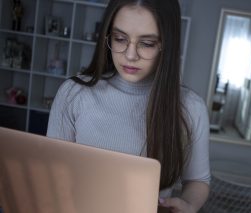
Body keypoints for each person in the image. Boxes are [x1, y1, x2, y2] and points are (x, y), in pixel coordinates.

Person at [47, 0, 210, 212]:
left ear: (166, 45)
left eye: (147, 43)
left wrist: (189, 204)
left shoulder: (191, 108)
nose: (130, 55)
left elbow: (198, 180)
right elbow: (51, 172)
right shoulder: (73, 93)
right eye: (120, 39)